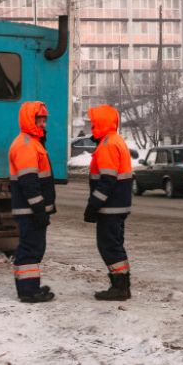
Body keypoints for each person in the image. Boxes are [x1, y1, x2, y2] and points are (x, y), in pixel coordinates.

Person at [83, 104, 133, 300]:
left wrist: (93, 205)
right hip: (118, 206)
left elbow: (107, 181)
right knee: (115, 245)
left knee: (109, 246)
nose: (91, 127)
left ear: (101, 123)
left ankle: (120, 288)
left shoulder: (107, 145)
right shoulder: (115, 140)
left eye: (93, 123)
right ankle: (122, 285)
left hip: (110, 208)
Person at [8, 101, 56, 303]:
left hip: (31, 209)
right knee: (30, 248)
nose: (44, 124)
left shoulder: (32, 143)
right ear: (30, 120)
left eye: (45, 120)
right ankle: (28, 291)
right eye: (40, 120)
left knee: (33, 247)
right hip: (30, 210)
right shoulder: (26, 145)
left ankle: (30, 287)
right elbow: (29, 183)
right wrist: (39, 209)